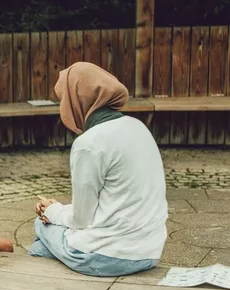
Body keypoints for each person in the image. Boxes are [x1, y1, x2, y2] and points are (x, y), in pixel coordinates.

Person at [30, 62, 167, 277]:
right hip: (149, 252)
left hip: (106, 256)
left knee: (40, 226)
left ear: (76, 100)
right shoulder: (138, 127)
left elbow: (81, 219)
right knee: (42, 246)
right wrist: (59, 209)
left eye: (64, 100)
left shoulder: (89, 143)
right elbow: (107, 203)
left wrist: (50, 212)